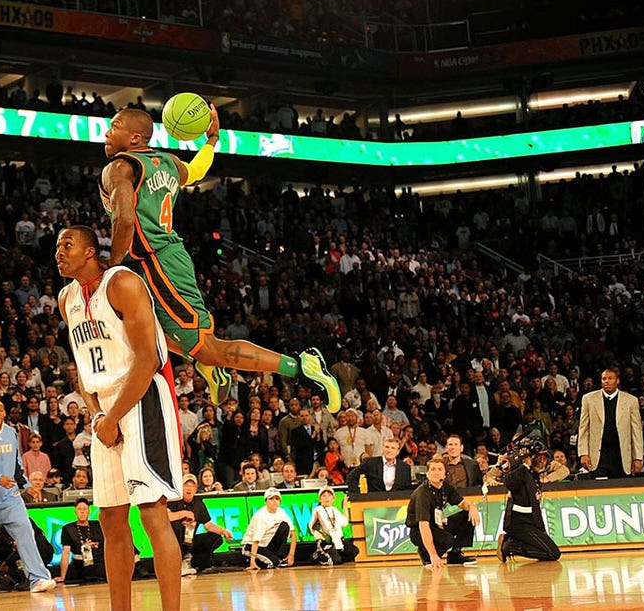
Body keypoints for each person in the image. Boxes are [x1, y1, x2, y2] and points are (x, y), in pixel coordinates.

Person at [98, 107, 341, 411]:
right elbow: (197, 171)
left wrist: (112, 263)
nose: (107, 132)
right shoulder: (169, 163)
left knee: (209, 349)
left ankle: (302, 366)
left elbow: (124, 220)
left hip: (155, 263)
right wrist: (211, 141)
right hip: (159, 260)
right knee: (147, 333)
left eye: (115, 126)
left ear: (134, 137)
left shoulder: (120, 167)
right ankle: (210, 367)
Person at [56, 226, 182, 611]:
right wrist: (98, 417)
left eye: (67, 245)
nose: (58, 252)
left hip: (141, 399)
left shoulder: (123, 283)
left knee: (152, 513)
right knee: (110, 518)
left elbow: (148, 359)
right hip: (105, 409)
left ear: (91, 251)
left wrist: (113, 417)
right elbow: (82, 366)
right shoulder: (67, 299)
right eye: (57, 247)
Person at [0, 401, 55, 593]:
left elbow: (16, 463)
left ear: (4, 413)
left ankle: (38, 578)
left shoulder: (10, 433)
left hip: (10, 497)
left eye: (0, 410)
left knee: (26, 532)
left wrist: (26, 485)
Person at [406, 456, 482, 570]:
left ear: (445, 473)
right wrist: (433, 555)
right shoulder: (422, 494)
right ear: (427, 473)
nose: (436, 473)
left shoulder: (446, 487)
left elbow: (462, 503)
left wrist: (472, 507)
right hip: (419, 531)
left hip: (438, 524)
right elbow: (423, 526)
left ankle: (455, 554)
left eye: (440, 469)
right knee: (447, 539)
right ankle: (426, 554)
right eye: (433, 469)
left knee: (467, 514)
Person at [496, 441, 561, 562]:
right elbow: (508, 482)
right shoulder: (522, 471)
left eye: (545, 458)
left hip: (531, 523)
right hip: (518, 523)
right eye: (539, 457)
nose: (542, 461)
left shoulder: (536, 478)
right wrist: (525, 465)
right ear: (532, 459)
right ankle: (509, 546)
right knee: (553, 553)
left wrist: (542, 531)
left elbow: (536, 509)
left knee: (551, 552)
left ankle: (511, 541)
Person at [577, 367, 643, 478]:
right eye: (604, 379)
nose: (607, 381)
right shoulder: (588, 399)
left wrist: (638, 458)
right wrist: (583, 453)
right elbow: (583, 428)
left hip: (622, 456)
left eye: (610, 378)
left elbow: (636, 432)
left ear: (617, 380)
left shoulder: (631, 400)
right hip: (597, 456)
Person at [167, 474, 232, 575]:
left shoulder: (199, 503)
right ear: (181, 487)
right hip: (173, 541)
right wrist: (184, 513)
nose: (189, 489)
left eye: (192, 486)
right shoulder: (173, 500)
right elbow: (167, 517)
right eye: (186, 485)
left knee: (215, 538)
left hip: (190, 540)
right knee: (178, 527)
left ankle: (196, 562)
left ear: (196, 489)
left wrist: (223, 531)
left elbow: (208, 525)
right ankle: (179, 561)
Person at [241, 487, 296, 569]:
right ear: (266, 501)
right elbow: (255, 541)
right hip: (252, 546)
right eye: (271, 499)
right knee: (274, 563)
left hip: (268, 545)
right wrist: (252, 562)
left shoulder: (282, 512)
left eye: (277, 499)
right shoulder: (261, 516)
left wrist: (291, 555)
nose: (274, 501)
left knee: (284, 526)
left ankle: (279, 556)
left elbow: (293, 534)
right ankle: (253, 560)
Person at [55, 498, 106, 583]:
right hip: (81, 564)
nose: (82, 512)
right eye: (79, 509)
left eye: (85, 509)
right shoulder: (68, 529)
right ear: (75, 512)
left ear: (89, 511)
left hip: (99, 562)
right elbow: (66, 553)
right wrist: (62, 576)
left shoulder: (98, 525)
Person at [307, 487, 357, 565]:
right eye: (324, 496)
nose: (327, 498)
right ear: (320, 499)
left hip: (338, 539)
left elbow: (345, 523)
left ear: (333, 498)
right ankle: (319, 555)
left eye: (329, 495)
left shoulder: (335, 510)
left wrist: (345, 506)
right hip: (327, 541)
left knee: (354, 551)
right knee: (337, 561)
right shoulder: (318, 510)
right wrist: (320, 536)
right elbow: (311, 526)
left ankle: (333, 556)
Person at [346, 438, 413, 494]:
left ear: (398, 452)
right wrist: (358, 495)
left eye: (393, 448)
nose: (389, 450)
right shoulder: (370, 463)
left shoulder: (405, 467)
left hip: (397, 503)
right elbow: (351, 477)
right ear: (383, 448)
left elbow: (407, 489)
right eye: (387, 447)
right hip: (374, 502)